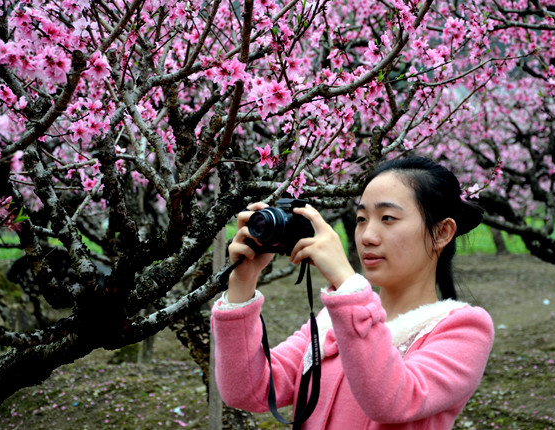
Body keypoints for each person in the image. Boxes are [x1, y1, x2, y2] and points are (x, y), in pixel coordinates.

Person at [211, 156, 494, 429]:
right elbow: (247, 390)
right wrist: (242, 283)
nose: (367, 236)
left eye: (387, 217)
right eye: (361, 219)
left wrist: (346, 285)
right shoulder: (331, 322)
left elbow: (391, 400)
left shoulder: (464, 329)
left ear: (442, 232)